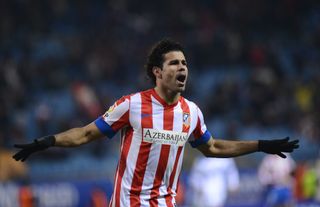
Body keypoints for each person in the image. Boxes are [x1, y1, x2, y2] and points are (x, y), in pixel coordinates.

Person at [12, 39, 299, 207]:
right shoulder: (133, 104)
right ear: (158, 72)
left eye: (184, 63)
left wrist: (261, 145)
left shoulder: (192, 112)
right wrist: (45, 142)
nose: (182, 67)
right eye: (175, 63)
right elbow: (85, 134)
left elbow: (213, 146)